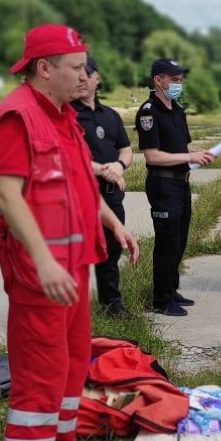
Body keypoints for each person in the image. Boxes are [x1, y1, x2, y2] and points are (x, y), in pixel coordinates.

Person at [0, 24, 139, 441]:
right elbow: (7, 195)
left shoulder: (60, 116)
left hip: (72, 266)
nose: (84, 77)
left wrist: (114, 225)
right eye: (76, 68)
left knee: (72, 357)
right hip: (41, 272)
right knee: (41, 365)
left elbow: (80, 183)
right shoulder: (16, 116)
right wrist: (43, 261)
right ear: (45, 68)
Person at [136, 58, 216, 316]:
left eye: (180, 80)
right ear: (158, 80)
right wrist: (188, 158)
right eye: (174, 79)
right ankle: (161, 301)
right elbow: (153, 156)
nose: (178, 84)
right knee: (167, 243)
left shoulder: (177, 110)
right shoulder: (149, 112)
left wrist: (197, 153)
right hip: (163, 183)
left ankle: (171, 290)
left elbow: (182, 149)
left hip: (181, 184)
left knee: (179, 240)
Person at [72, 55, 134, 317]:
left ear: (97, 77)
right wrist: (104, 170)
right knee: (77, 252)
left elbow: (126, 148)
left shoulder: (110, 115)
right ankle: (73, 305)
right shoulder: (69, 115)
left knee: (111, 248)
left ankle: (111, 303)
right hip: (79, 192)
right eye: (78, 72)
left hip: (110, 195)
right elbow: (69, 157)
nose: (82, 78)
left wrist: (119, 166)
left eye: (87, 72)